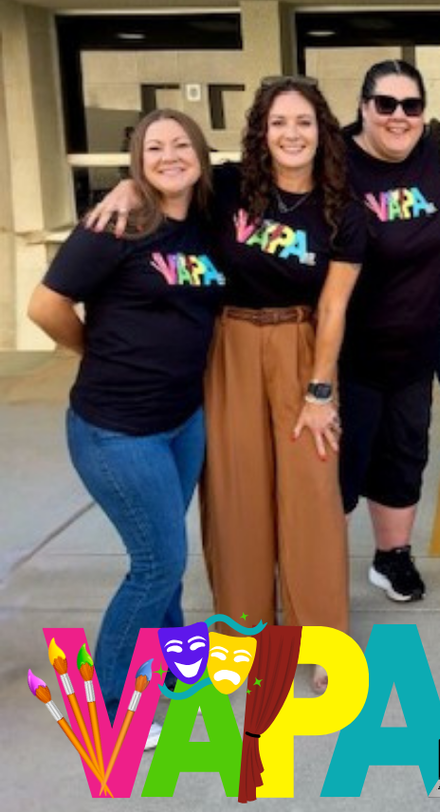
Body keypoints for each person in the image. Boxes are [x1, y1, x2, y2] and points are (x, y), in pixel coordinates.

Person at [85, 77, 364, 690]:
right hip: (229, 342)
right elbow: (170, 180)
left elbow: (336, 306)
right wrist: (133, 181)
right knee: (236, 495)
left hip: (301, 344)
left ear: (322, 131)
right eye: (279, 123)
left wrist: (320, 393)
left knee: (311, 493)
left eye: (304, 122)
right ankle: (244, 640)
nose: (291, 134)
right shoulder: (232, 187)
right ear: (261, 133)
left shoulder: (344, 205)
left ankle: (318, 641)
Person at [28, 110, 224, 744]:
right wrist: (90, 348)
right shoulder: (115, 224)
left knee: (165, 548)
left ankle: (174, 668)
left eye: (181, 145)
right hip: (116, 429)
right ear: (136, 162)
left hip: (181, 419)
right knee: (158, 563)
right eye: (154, 148)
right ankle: (106, 700)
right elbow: (44, 304)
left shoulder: (204, 221)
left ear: (201, 153)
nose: (170, 156)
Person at [340, 59, 440, 602]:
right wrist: (133, 187)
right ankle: (313, 566)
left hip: (416, 350)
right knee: (339, 469)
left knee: (405, 455)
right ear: (364, 107)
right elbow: (237, 180)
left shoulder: (432, 162)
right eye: (385, 104)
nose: (398, 116)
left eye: (411, 106)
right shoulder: (332, 161)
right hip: (347, 353)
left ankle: (392, 557)